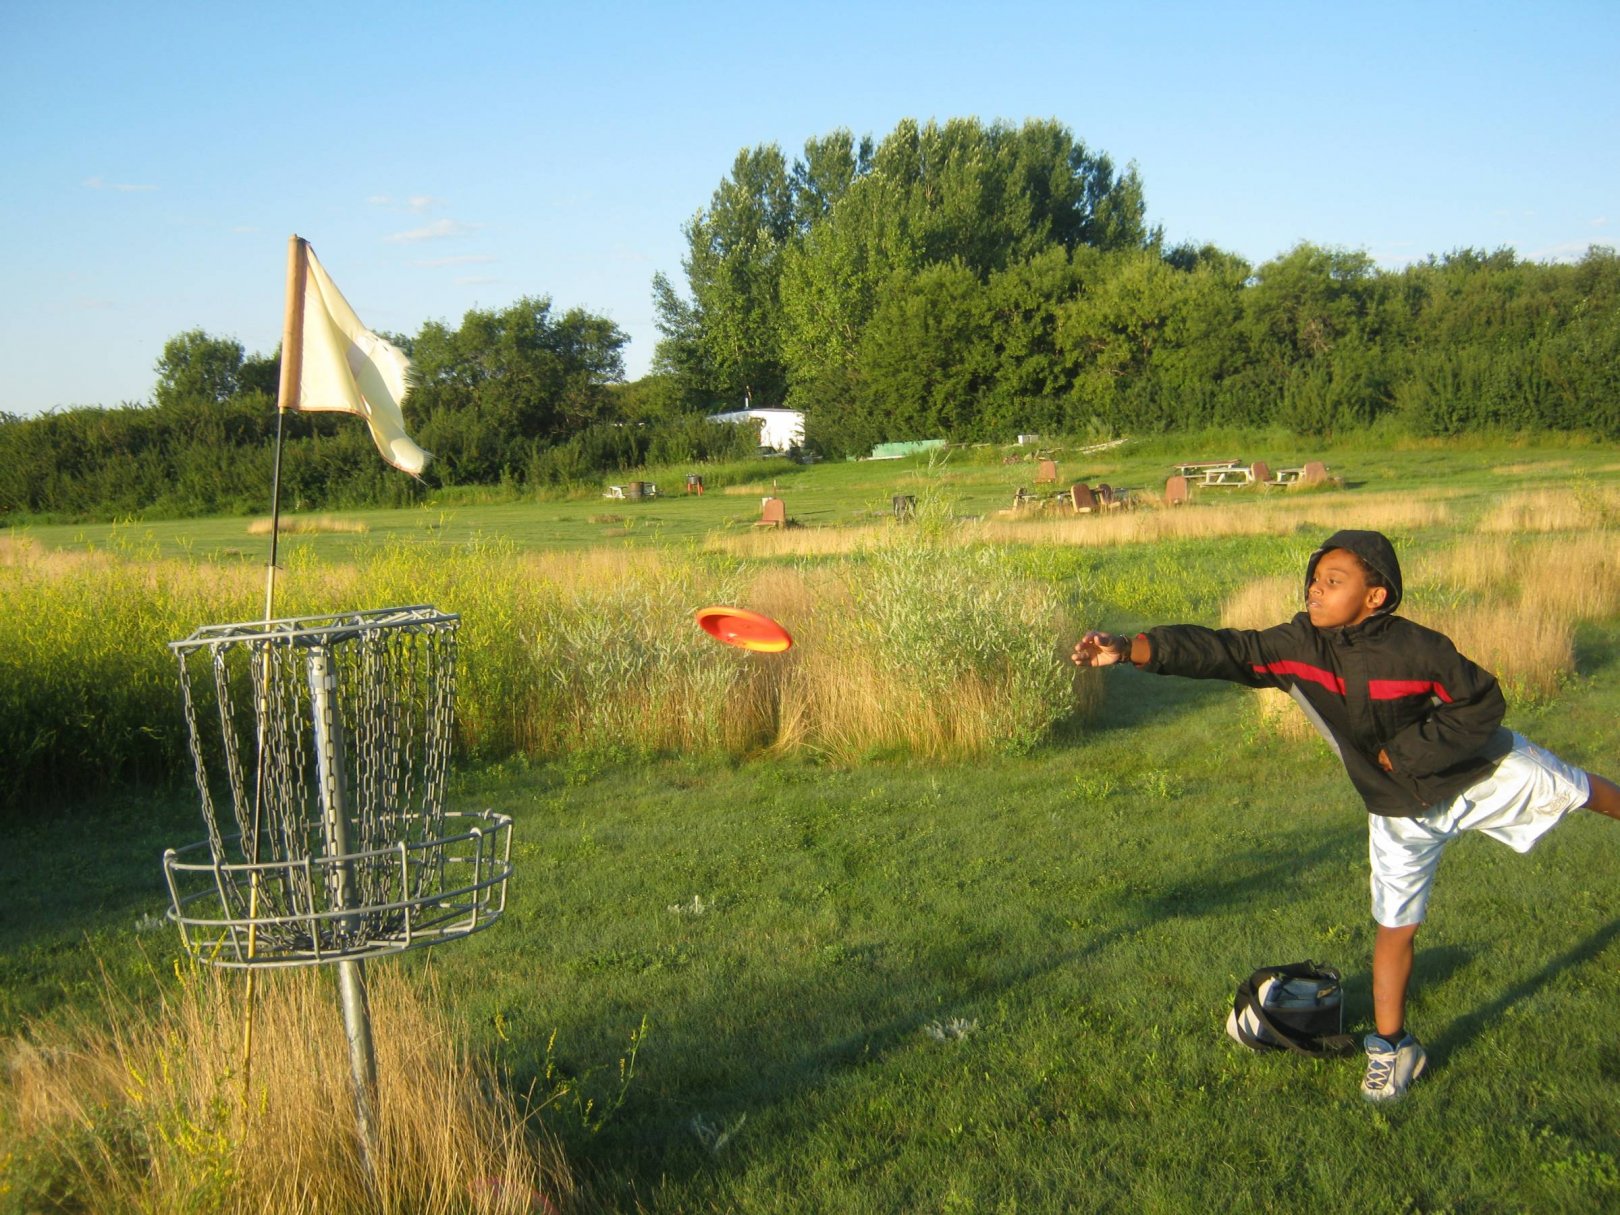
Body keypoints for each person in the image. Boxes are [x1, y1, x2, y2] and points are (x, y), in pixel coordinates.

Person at [1071, 529, 1620, 1101]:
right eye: (1314, 579)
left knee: (1581, 791)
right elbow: (1226, 650)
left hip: (1482, 774)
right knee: (1395, 927)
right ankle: (1393, 1048)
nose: (1316, 589)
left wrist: (1407, 752)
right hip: (1400, 808)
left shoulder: (1421, 648)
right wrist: (1131, 648)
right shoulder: (1298, 645)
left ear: (1375, 595)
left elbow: (1481, 702)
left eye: (1334, 581)